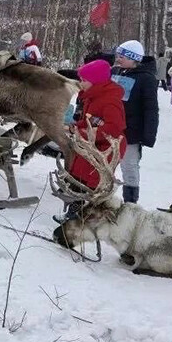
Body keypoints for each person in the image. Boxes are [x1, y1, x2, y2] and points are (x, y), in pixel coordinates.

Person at [54, 59, 127, 223]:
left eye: (84, 80)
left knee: (90, 183)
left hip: (105, 149)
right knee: (78, 178)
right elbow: (90, 119)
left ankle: (85, 218)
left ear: (96, 82)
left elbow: (114, 129)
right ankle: (73, 215)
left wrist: (84, 133)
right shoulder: (92, 97)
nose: (81, 83)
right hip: (90, 146)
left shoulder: (110, 101)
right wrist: (76, 126)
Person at [110, 40, 159, 204]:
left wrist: (148, 135)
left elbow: (151, 109)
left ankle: (130, 204)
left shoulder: (147, 79)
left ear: (133, 58)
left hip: (131, 132)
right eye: (118, 55)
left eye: (122, 56)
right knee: (103, 164)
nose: (118, 58)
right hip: (110, 128)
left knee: (129, 166)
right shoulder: (116, 71)